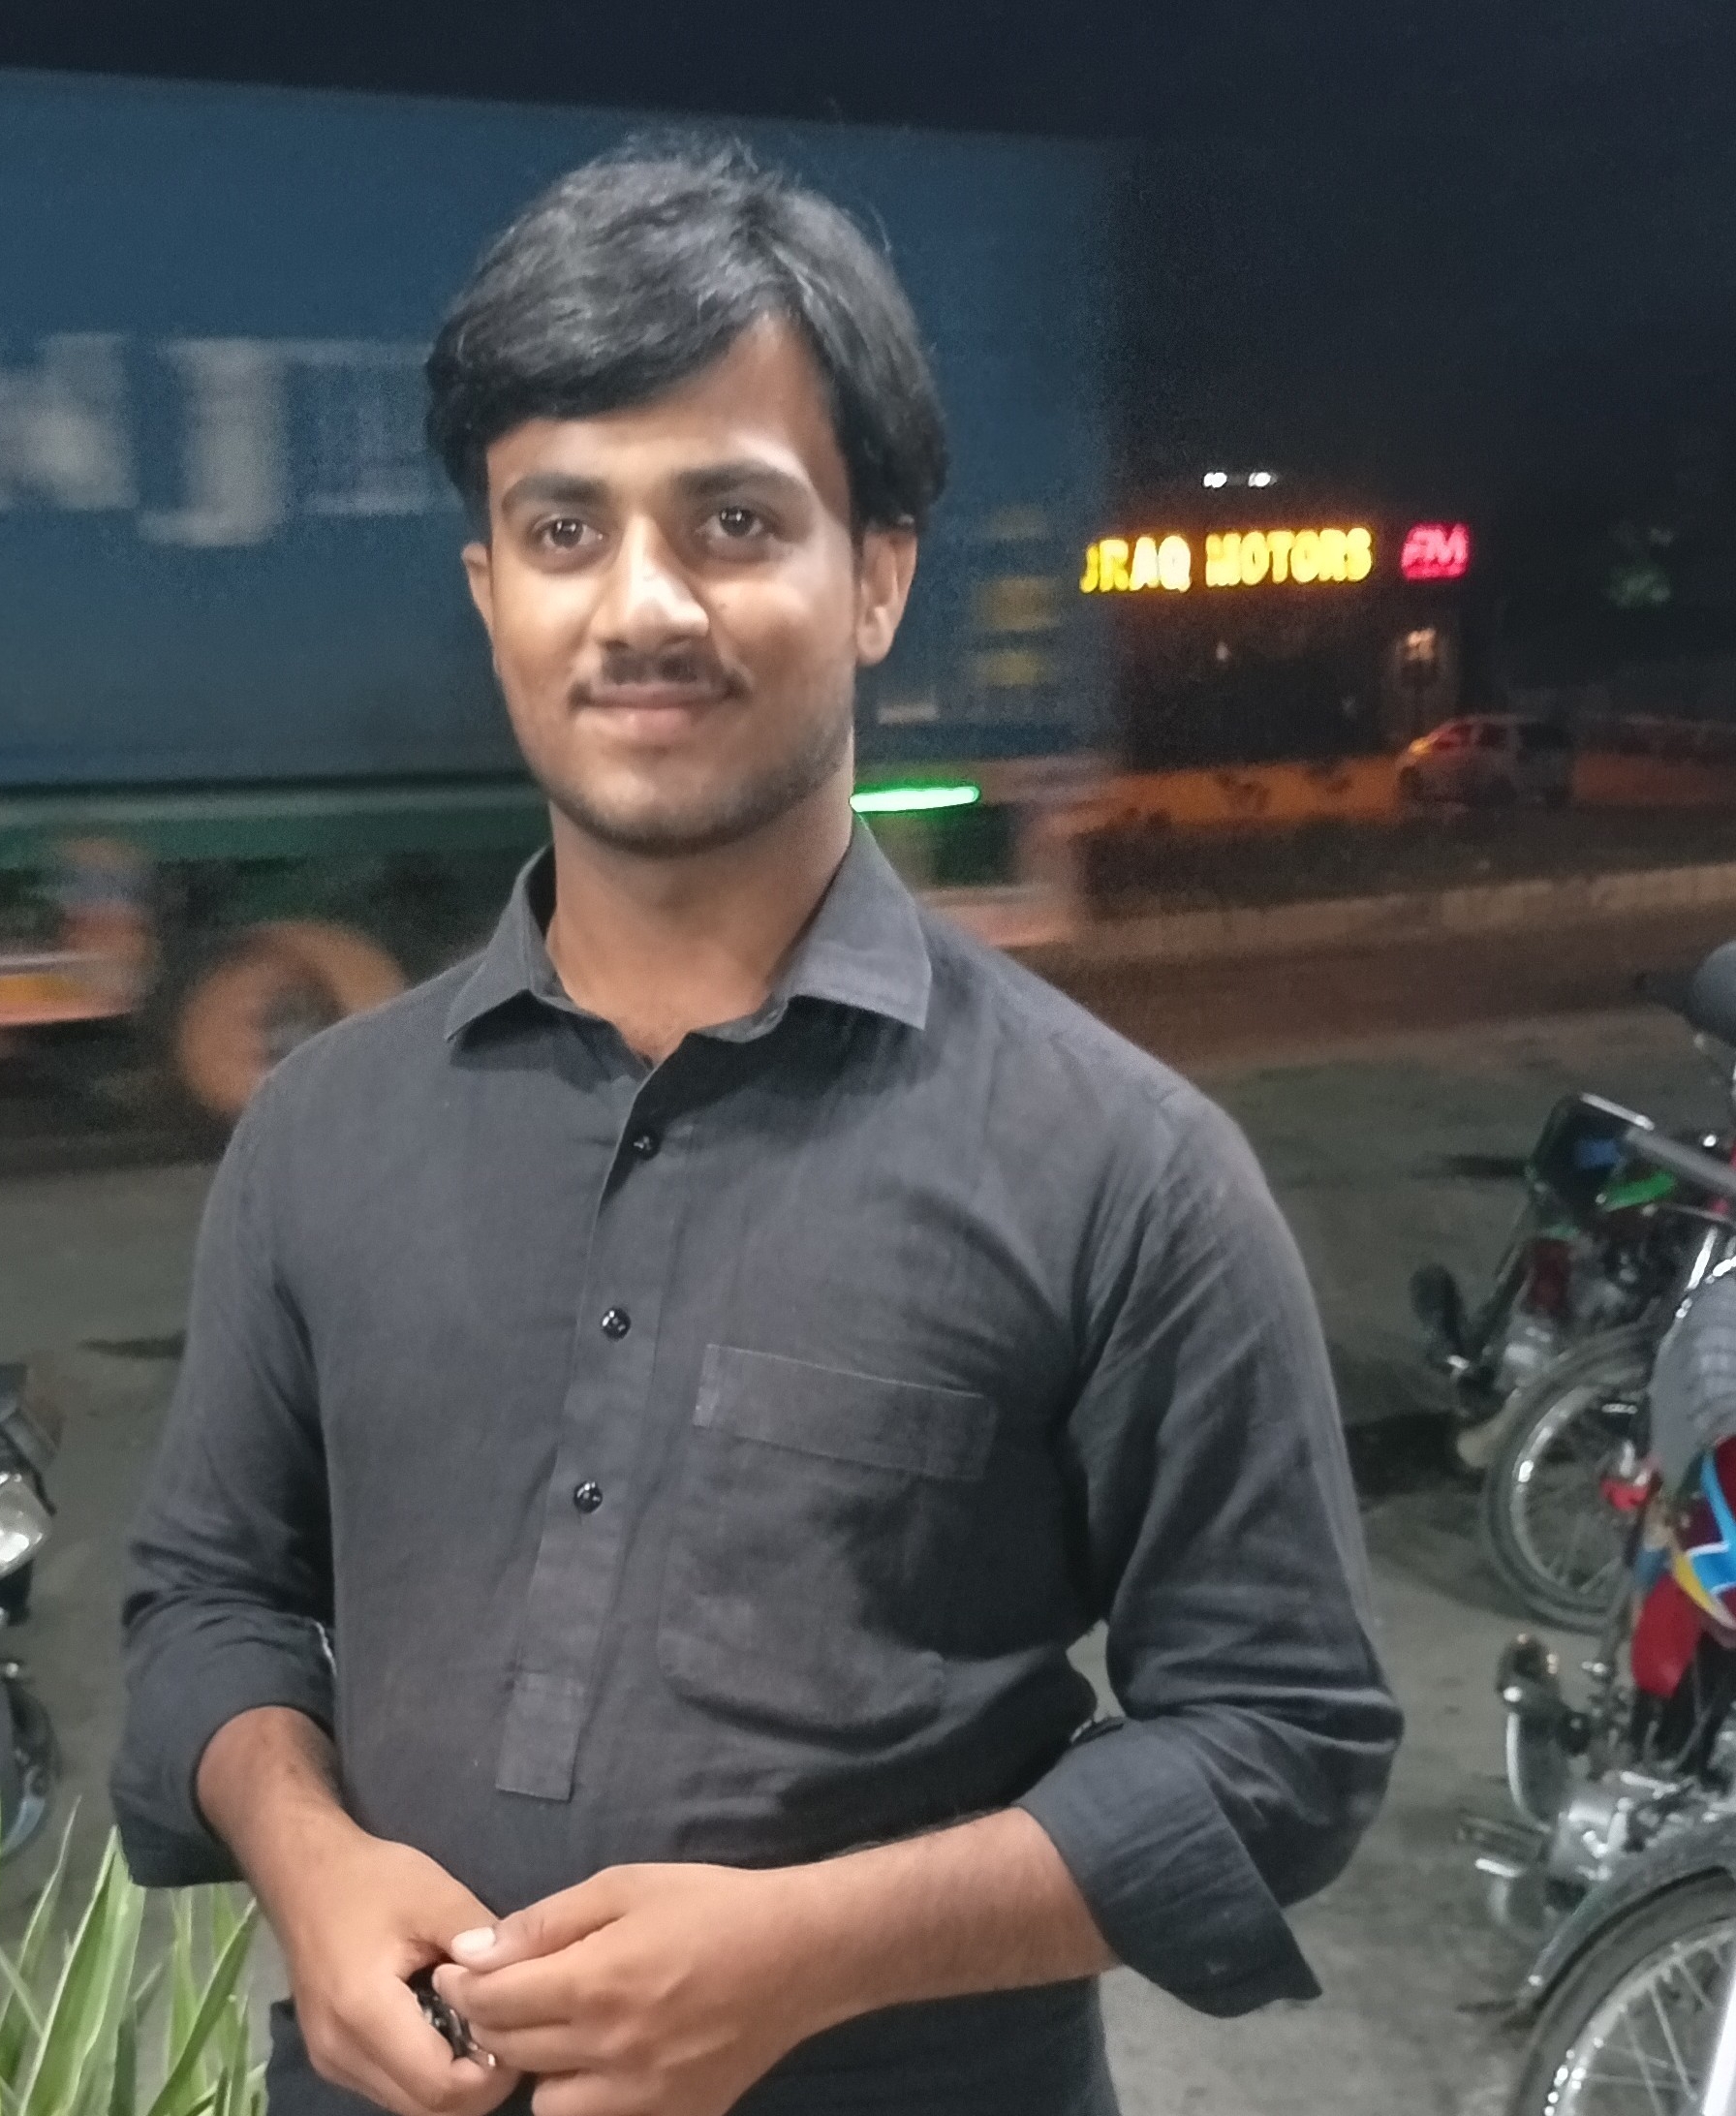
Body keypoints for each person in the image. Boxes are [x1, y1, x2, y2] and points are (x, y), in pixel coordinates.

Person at [112, 140, 1401, 2116]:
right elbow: (206, 1601)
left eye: (732, 519)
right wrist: (308, 1859)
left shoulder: (1120, 1171)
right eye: (563, 528)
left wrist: (809, 1957)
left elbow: (1284, 1736)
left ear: (877, 573)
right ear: (489, 589)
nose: (641, 606)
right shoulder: (321, 1132)